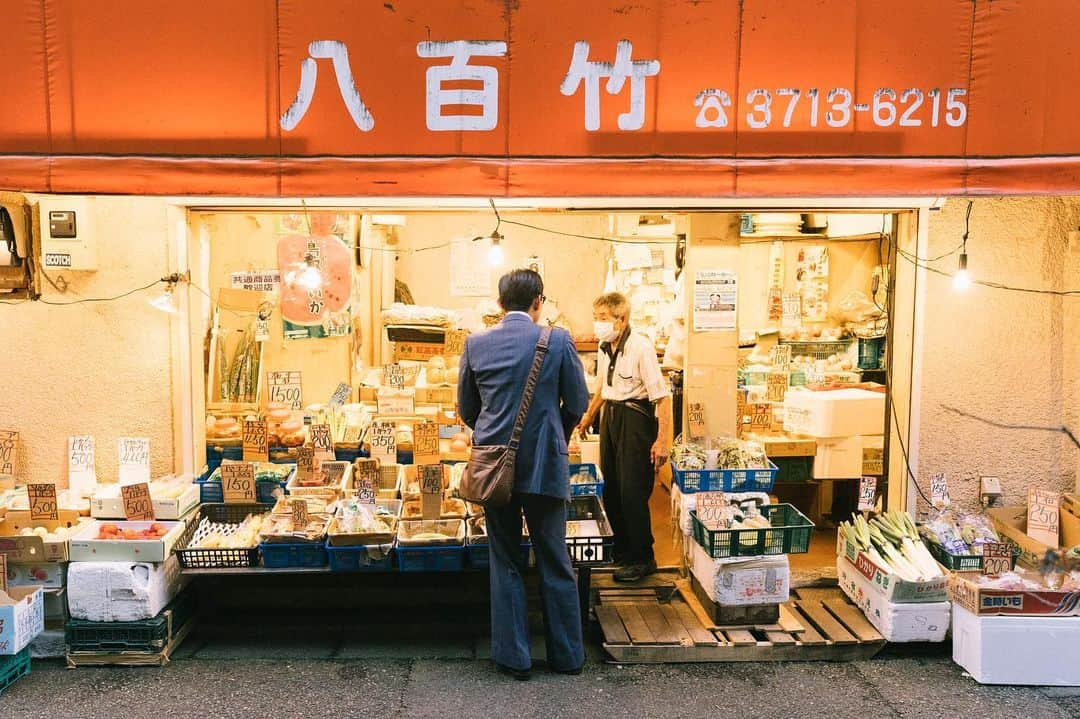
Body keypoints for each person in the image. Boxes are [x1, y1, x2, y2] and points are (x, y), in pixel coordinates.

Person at [458, 269, 591, 680]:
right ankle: (567, 656)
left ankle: (514, 657)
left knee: (506, 559)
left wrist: (494, 429)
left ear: (499, 304)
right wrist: (556, 430)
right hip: (545, 465)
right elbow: (579, 400)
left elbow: (467, 408)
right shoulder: (557, 340)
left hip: (495, 466)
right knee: (555, 559)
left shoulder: (476, 343)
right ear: (539, 302)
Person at [577, 292, 672, 582]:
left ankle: (643, 557)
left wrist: (662, 441)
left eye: (603, 319)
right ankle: (622, 551)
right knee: (613, 488)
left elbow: (663, 398)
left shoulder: (641, 347)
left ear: (622, 318)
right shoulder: (606, 347)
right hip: (612, 418)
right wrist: (588, 417)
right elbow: (602, 389)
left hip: (635, 419)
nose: (598, 325)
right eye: (596, 318)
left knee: (632, 490)